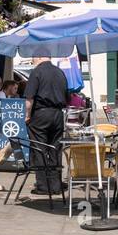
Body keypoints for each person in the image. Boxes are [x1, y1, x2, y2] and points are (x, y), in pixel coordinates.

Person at [23, 55, 68, 195]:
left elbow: (29, 98)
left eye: (33, 58)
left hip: (40, 114)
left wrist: (27, 115)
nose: (32, 61)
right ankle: (55, 185)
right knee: (55, 149)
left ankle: (43, 186)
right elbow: (68, 97)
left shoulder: (36, 72)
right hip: (57, 115)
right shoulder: (60, 72)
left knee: (39, 149)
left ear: (39, 57)